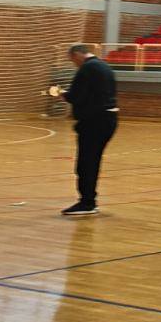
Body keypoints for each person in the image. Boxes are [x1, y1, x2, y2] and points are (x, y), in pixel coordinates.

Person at [54, 44, 119, 217]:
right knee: (92, 161)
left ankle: (87, 202)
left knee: (86, 164)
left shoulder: (87, 68)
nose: (74, 63)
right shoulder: (104, 66)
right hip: (108, 119)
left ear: (77, 54)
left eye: (73, 60)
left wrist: (63, 94)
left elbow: (76, 96)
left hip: (95, 121)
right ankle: (89, 200)